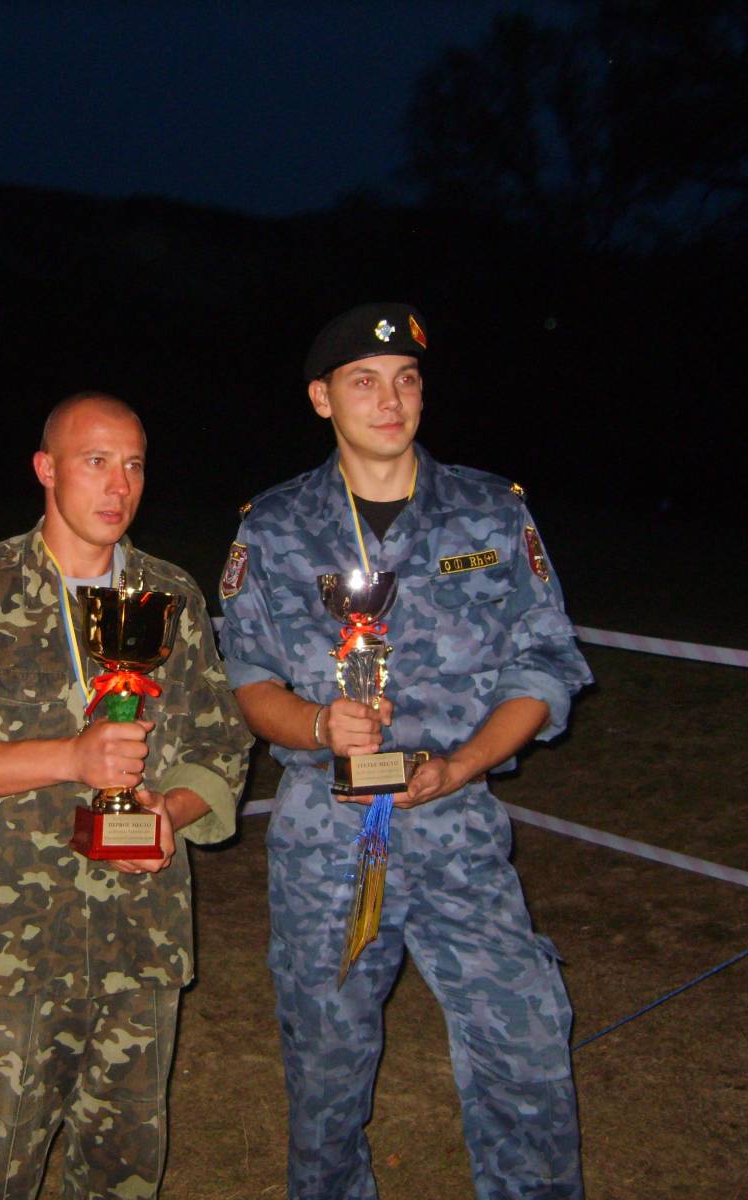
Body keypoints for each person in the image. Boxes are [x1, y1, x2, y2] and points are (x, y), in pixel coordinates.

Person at [218, 304, 593, 1200]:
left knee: (524, 1040)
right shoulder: (274, 526)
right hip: (328, 836)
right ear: (321, 398)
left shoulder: (490, 512)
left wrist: (463, 764)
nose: (390, 401)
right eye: (364, 382)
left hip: (458, 824)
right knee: (326, 1067)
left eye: (406, 380)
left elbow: (544, 666)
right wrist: (317, 726)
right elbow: (246, 676)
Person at [0, 391, 252, 1199]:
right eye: (96, 462)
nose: (119, 485)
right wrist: (69, 758)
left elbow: (223, 744)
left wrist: (171, 812)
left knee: (124, 1176)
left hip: (141, 944)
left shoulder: (172, 596)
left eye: (134, 465)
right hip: (13, 951)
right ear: (46, 469)